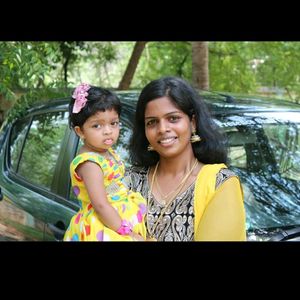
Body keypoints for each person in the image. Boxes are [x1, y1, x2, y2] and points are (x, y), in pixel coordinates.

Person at [127, 76, 246, 241]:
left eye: (173, 118)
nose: (162, 129)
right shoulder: (128, 181)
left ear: (193, 123)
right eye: (152, 122)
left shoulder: (220, 183)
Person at [64, 83, 147, 241]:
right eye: (97, 125)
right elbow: (101, 205)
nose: (108, 131)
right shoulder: (90, 163)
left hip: (115, 218)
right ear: (80, 131)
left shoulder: (105, 151)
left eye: (113, 123)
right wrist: (126, 232)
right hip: (104, 227)